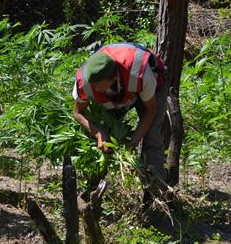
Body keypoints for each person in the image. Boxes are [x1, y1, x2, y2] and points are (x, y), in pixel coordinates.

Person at [72, 42, 169, 207]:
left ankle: (156, 198)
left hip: (153, 85)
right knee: (106, 139)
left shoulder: (139, 73)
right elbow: (78, 113)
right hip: (122, 89)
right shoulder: (86, 81)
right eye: (94, 86)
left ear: (115, 77)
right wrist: (99, 134)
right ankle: (91, 192)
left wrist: (134, 142)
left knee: (152, 139)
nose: (96, 90)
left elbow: (150, 112)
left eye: (100, 86)